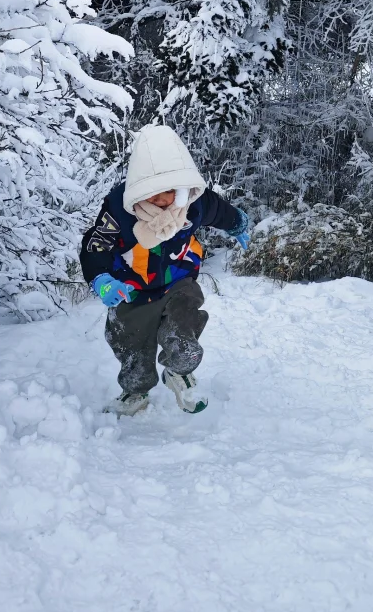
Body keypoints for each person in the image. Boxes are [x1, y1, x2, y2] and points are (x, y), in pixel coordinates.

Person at [80, 124, 250, 415]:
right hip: (131, 287)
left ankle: (179, 370)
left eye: (168, 193)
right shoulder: (118, 209)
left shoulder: (195, 203)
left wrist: (237, 224)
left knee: (183, 322)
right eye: (152, 194)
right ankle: (136, 390)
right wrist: (102, 279)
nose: (161, 201)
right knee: (129, 340)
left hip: (178, 279)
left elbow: (220, 211)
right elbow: (96, 245)